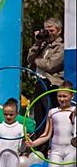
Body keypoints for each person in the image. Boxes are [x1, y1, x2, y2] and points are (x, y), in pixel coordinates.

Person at [26, 18, 65, 155]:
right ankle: (39, 151)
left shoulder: (61, 46)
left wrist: (37, 61)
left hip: (51, 84)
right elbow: (29, 58)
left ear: (58, 31)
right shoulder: (43, 44)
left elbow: (51, 65)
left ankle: (53, 149)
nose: (48, 33)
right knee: (39, 118)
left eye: (51, 30)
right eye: (46, 30)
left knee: (51, 118)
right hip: (39, 83)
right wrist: (37, 42)